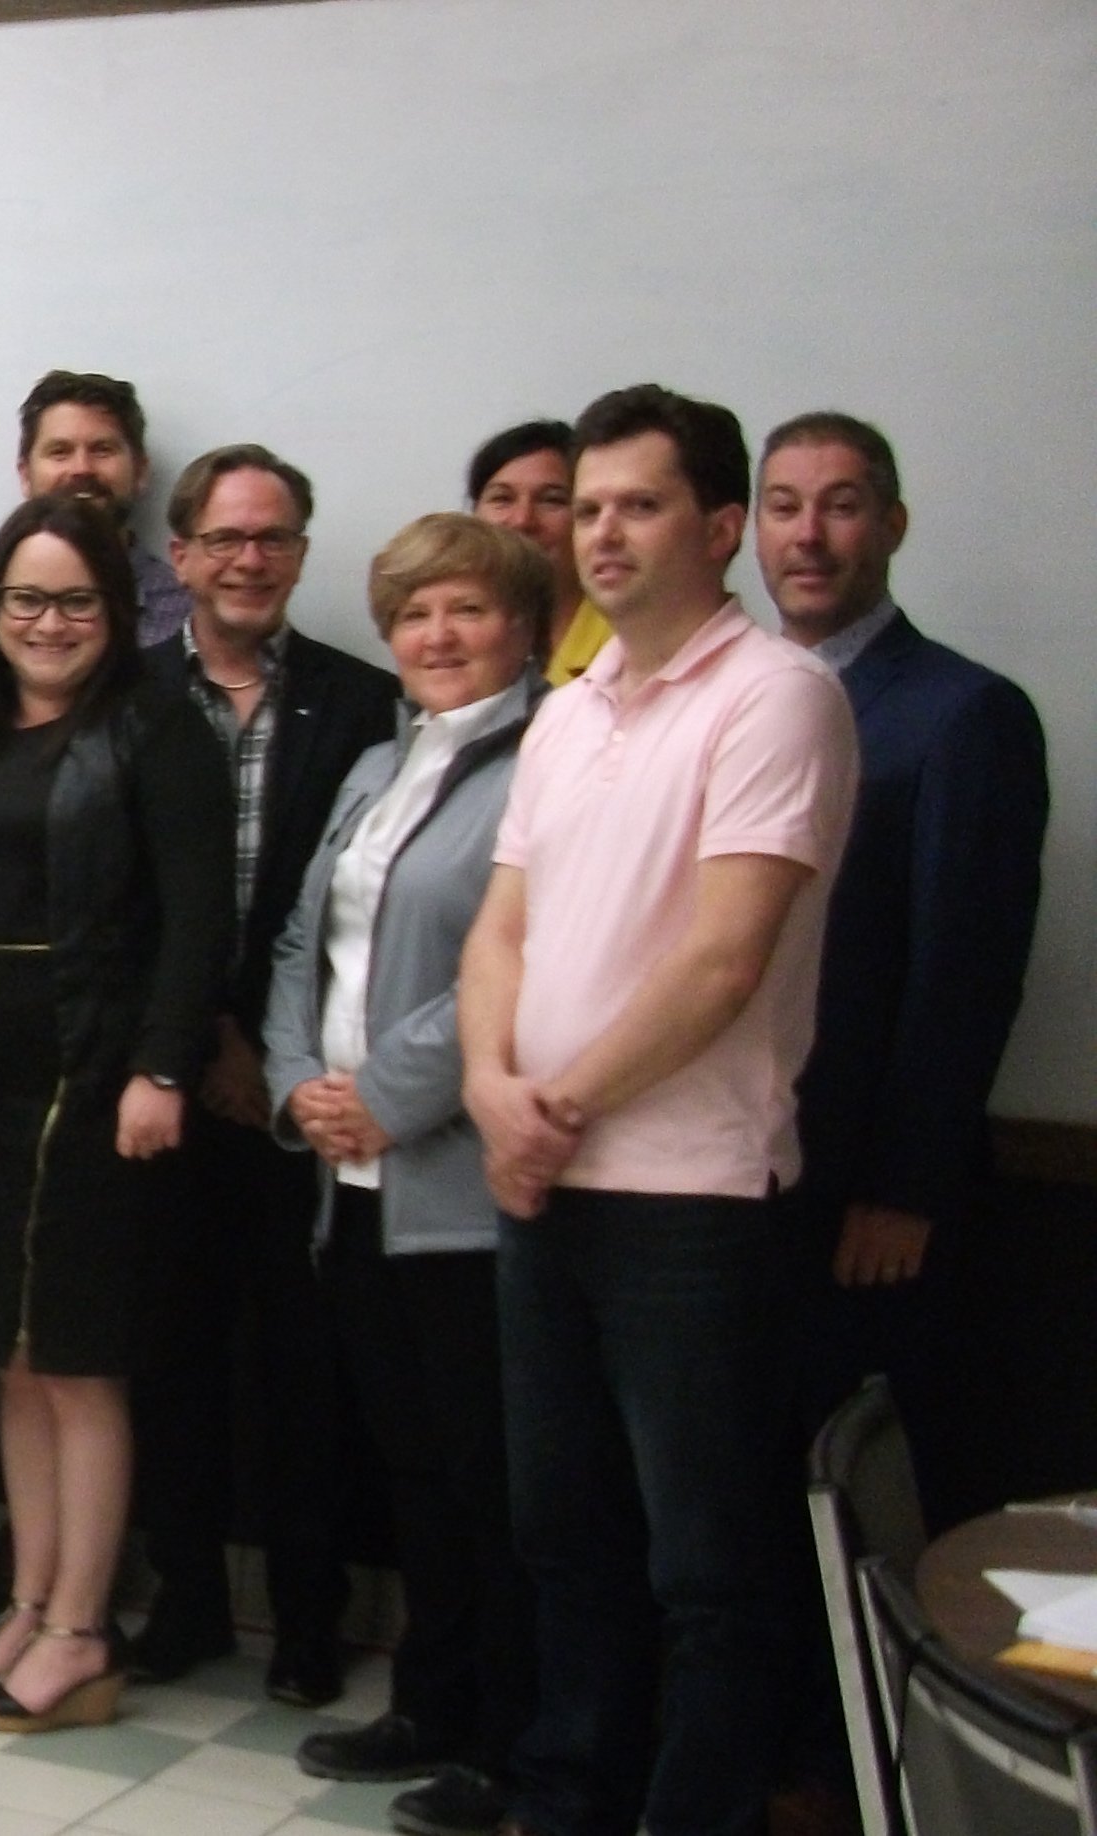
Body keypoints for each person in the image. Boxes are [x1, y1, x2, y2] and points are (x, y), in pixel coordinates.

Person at [460, 384, 854, 1836]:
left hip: (690, 1200)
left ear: (722, 527)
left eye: (638, 504)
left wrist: (549, 1099)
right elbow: (499, 930)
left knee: (704, 1568)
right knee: (560, 1536)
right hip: (542, 1183)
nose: (600, 532)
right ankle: (567, 1803)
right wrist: (496, 1093)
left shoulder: (779, 697)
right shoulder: (565, 716)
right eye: (588, 506)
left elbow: (722, 957)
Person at [0, 493, 230, 1735]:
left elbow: (199, 921)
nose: (47, 624)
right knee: (11, 1357)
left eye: (74, 601)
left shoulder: (160, 733)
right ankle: (34, 1597)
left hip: (97, 1086)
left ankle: (85, 1629)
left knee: (80, 1363)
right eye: (24, 601)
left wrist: (161, 1069)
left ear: (118, 610)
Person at [259, 513, 552, 1836]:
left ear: (521, 625)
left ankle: (511, 1739)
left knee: (492, 1482)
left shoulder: (548, 761)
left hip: (459, 1189)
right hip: (351, 1186)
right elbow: (297, 950)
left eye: (467, 612)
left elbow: (526, 963)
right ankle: (429, 1704)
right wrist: (292, 1090)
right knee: (414, 1473)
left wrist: (379, 1097)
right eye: (414, 615)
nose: (437, 638)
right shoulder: (379, 761)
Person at [126, 444, 398, 1706]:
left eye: (272, 538)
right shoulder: (122, 696)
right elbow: (112, 901)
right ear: (176, 555)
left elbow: (362, 913)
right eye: (222, 538)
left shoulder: (365, 704)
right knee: (168, 1364)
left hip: (305, 1100)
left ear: (299, 553)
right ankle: (182, 1603)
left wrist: (268, 1055)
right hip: (161, 1086)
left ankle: (305, 1618)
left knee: (308, 1375)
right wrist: (196, 1045)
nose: (246, 559)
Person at [766, 411, 1048, 1516]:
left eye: (839, 505)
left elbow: (964, 972)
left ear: (890, 523)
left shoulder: (958, 713)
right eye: (784, 506)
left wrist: (903, 1186)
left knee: (849, 1491)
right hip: (739, 1178)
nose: (810, 535)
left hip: (861, 1196)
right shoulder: (723, 700)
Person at [0, 370, 198, 693]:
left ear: (141, 471)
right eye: (59, 451)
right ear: (25, 474)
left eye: (102, 449)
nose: (81, 468)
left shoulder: (189, 606)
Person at [466, 420, 611, 687]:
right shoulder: (450, 638)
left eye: (551, 500)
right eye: (502, 499)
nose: (523, 520)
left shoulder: (624, 644)